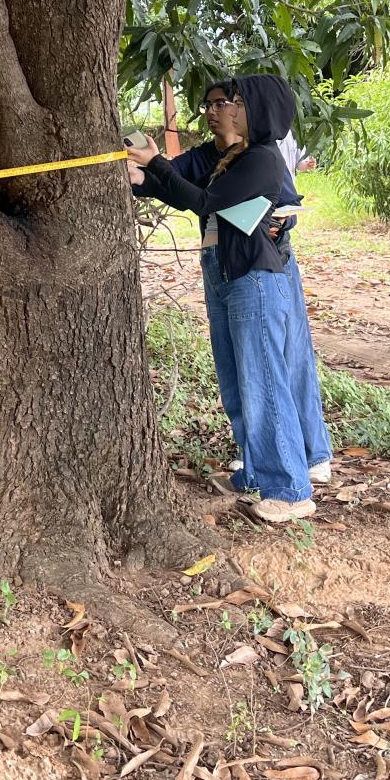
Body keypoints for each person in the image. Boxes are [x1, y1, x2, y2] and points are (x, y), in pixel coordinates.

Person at [128, 74, 330, 522]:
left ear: (253, 109)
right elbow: (180, 187)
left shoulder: (262, 160)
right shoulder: (223, 157)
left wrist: (156, 165)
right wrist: (141, 175)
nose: (220, 109)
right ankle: (257, 470)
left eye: (232, 101)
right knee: (238, 379)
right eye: (216, 103)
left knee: (264, 380)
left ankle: (290, 489)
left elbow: (205, 203)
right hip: (223, 271)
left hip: (253, 275)